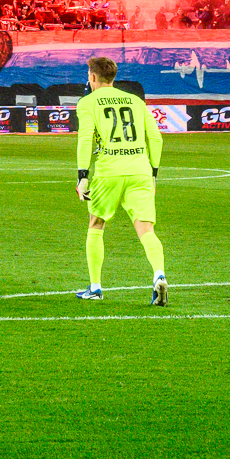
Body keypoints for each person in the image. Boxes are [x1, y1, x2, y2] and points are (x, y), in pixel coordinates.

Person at [75, 55, 168, 305]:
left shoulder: (87, 103)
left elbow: (85, 138)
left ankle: (95, 287)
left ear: (93, 77)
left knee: (96, 224)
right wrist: (153, 173)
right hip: (140, 170)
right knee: (146, 229)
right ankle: (159, 274)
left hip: (109, 171)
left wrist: (83, 175)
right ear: (113, 77)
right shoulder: (136, 101)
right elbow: (156, 138)